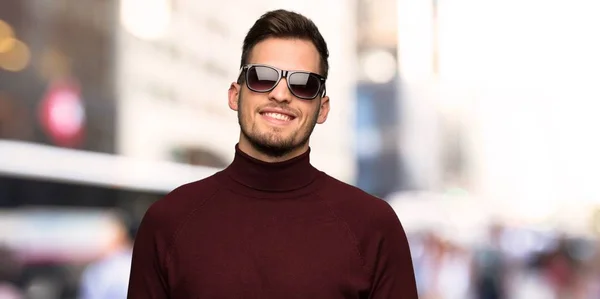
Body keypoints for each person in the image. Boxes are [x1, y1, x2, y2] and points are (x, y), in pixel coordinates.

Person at [127, 9, 417, 298]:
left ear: (323, 108)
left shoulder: (374, 226)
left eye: (303, 84)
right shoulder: (167, 222)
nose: (280, 94)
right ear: (235, 95)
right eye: (263, 77)